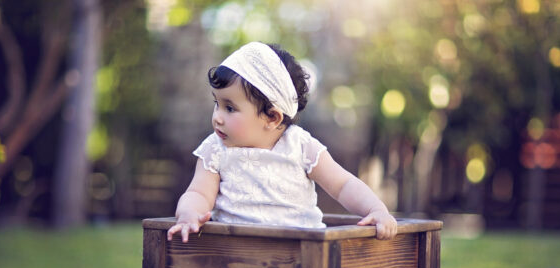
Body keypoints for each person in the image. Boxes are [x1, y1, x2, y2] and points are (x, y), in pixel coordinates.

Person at [167, 42, 397, 243]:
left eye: (230, 108)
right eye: (217, 103)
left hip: (302, 250)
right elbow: (198, 192)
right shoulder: (215, 150)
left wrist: (376, 209)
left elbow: (343, 184)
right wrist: (189, 213)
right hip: (234, 253)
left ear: (272, 117)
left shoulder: (300, 146)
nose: (217, 116)